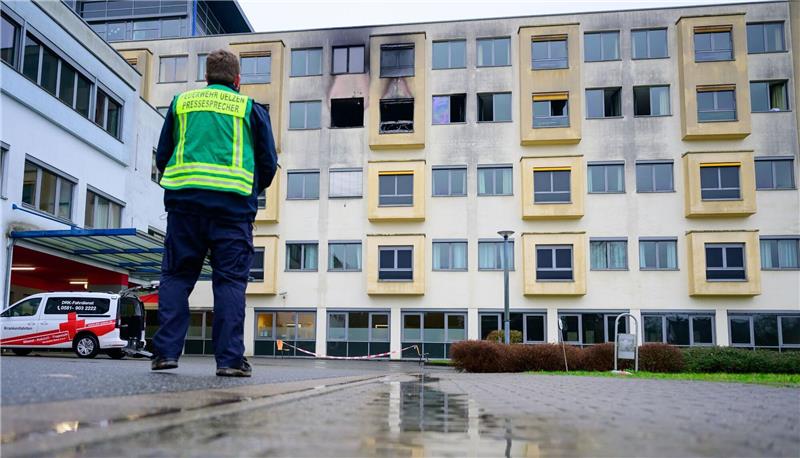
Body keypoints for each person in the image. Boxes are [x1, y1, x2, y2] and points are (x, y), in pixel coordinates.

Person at [151, 49, 278, 377]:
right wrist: (250, 190)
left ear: (206, 77)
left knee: (177, 277)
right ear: (237, 79)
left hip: (184, 208)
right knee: (230, 282)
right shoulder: (249, 108)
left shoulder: (182, 104)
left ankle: (165, 354)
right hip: (233, 211)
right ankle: (230, 361)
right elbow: (267, 162)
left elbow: (163, 155)